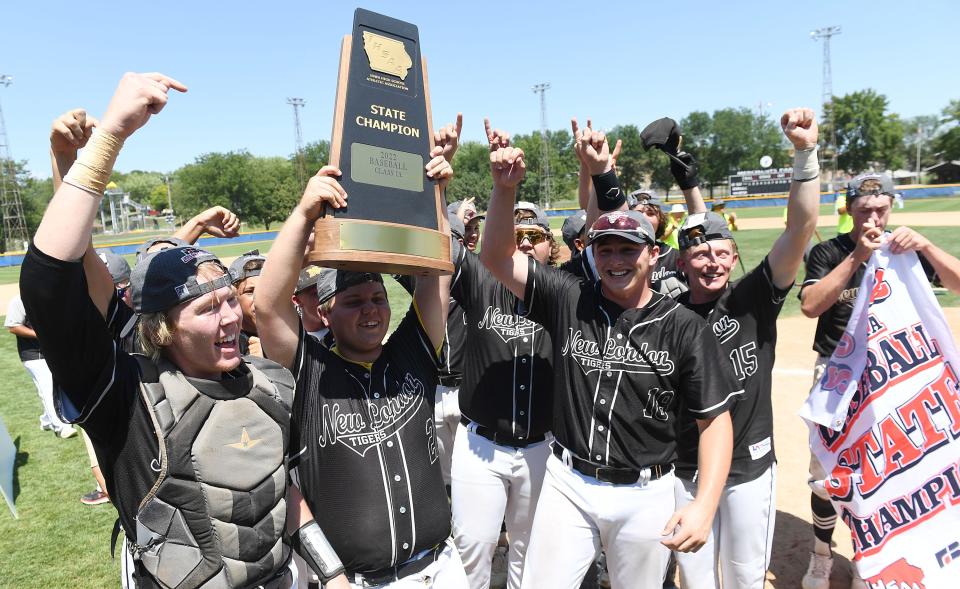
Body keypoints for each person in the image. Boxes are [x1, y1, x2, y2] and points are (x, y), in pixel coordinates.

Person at [21, 72, 332, 588]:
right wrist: (105, 142)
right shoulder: (126, 399)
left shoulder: (269, 381)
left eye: (230, 299)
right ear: (162, 328)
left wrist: (334, 574)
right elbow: (55, 280)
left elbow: (283, 492)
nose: (231, 316)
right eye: (207, 308)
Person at [479, 126, 738, 588]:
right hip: (567, 482)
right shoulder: (569, 298)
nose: (616, 259)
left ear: (653, 256)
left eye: (628, 249)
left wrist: (705, 503)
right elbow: (497, 257)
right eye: (605, 249)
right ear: (592, 253)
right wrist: (504, 190)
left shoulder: (684, 327)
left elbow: (714, 421)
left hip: (646, 491)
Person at [256, 134, 467, 587]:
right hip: (362, 581)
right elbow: (267, 308)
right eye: (353, 301)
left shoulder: (410, 354)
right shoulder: (311, 372)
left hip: (444, 568)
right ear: (325, 311)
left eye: (378, 297)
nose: (371, 309)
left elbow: (436, 277)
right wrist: (303, 214)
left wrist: (436, 195)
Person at [668, 108, 821, 589]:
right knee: (694, 580)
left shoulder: (752, 298)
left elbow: (800, 228)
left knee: (744, 579)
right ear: (681, 261)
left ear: (734, 257)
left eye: (720, 252)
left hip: (750, 470)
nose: (711, 261)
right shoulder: (667, 315)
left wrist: (805, 153)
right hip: (685, 470)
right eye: (699, 252)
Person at [798, 172, 960, 589]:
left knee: (885, 470)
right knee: (827, 475)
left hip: (896, 373)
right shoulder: (827, 251)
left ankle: (870, 556)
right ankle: (821, 556)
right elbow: (811, 306)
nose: (873, 216)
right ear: (848, 208)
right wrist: (855, 258)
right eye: (864, 208)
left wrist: (924, 245)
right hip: (837, 377)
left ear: (891, 206)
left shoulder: (906, 248)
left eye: (880, 208)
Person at [449, 185, 557, 588]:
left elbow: (599, 222)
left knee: (531, 551)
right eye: (517, 236)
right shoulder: (480, 280)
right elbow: (443, 239)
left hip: (541, 449)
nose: (526, 245)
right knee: (473, 547)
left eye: (536, 236)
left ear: (551, 245)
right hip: (481, 447)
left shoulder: (565, 294)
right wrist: (440, 183)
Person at [5, 294, 76, 438]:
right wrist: (40, 334)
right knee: (48, 386)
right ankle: (61, 427)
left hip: (53, 352)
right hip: (33, 354)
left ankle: (46, 420)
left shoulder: (52, 296)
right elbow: (13, 327)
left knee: (58, 386)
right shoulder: (19, 300)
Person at [228, 249, 267, 356]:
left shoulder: (293, 332)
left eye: (267, 290)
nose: (260, 299)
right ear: (233, 298)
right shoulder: (226, 343)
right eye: (250, 292)